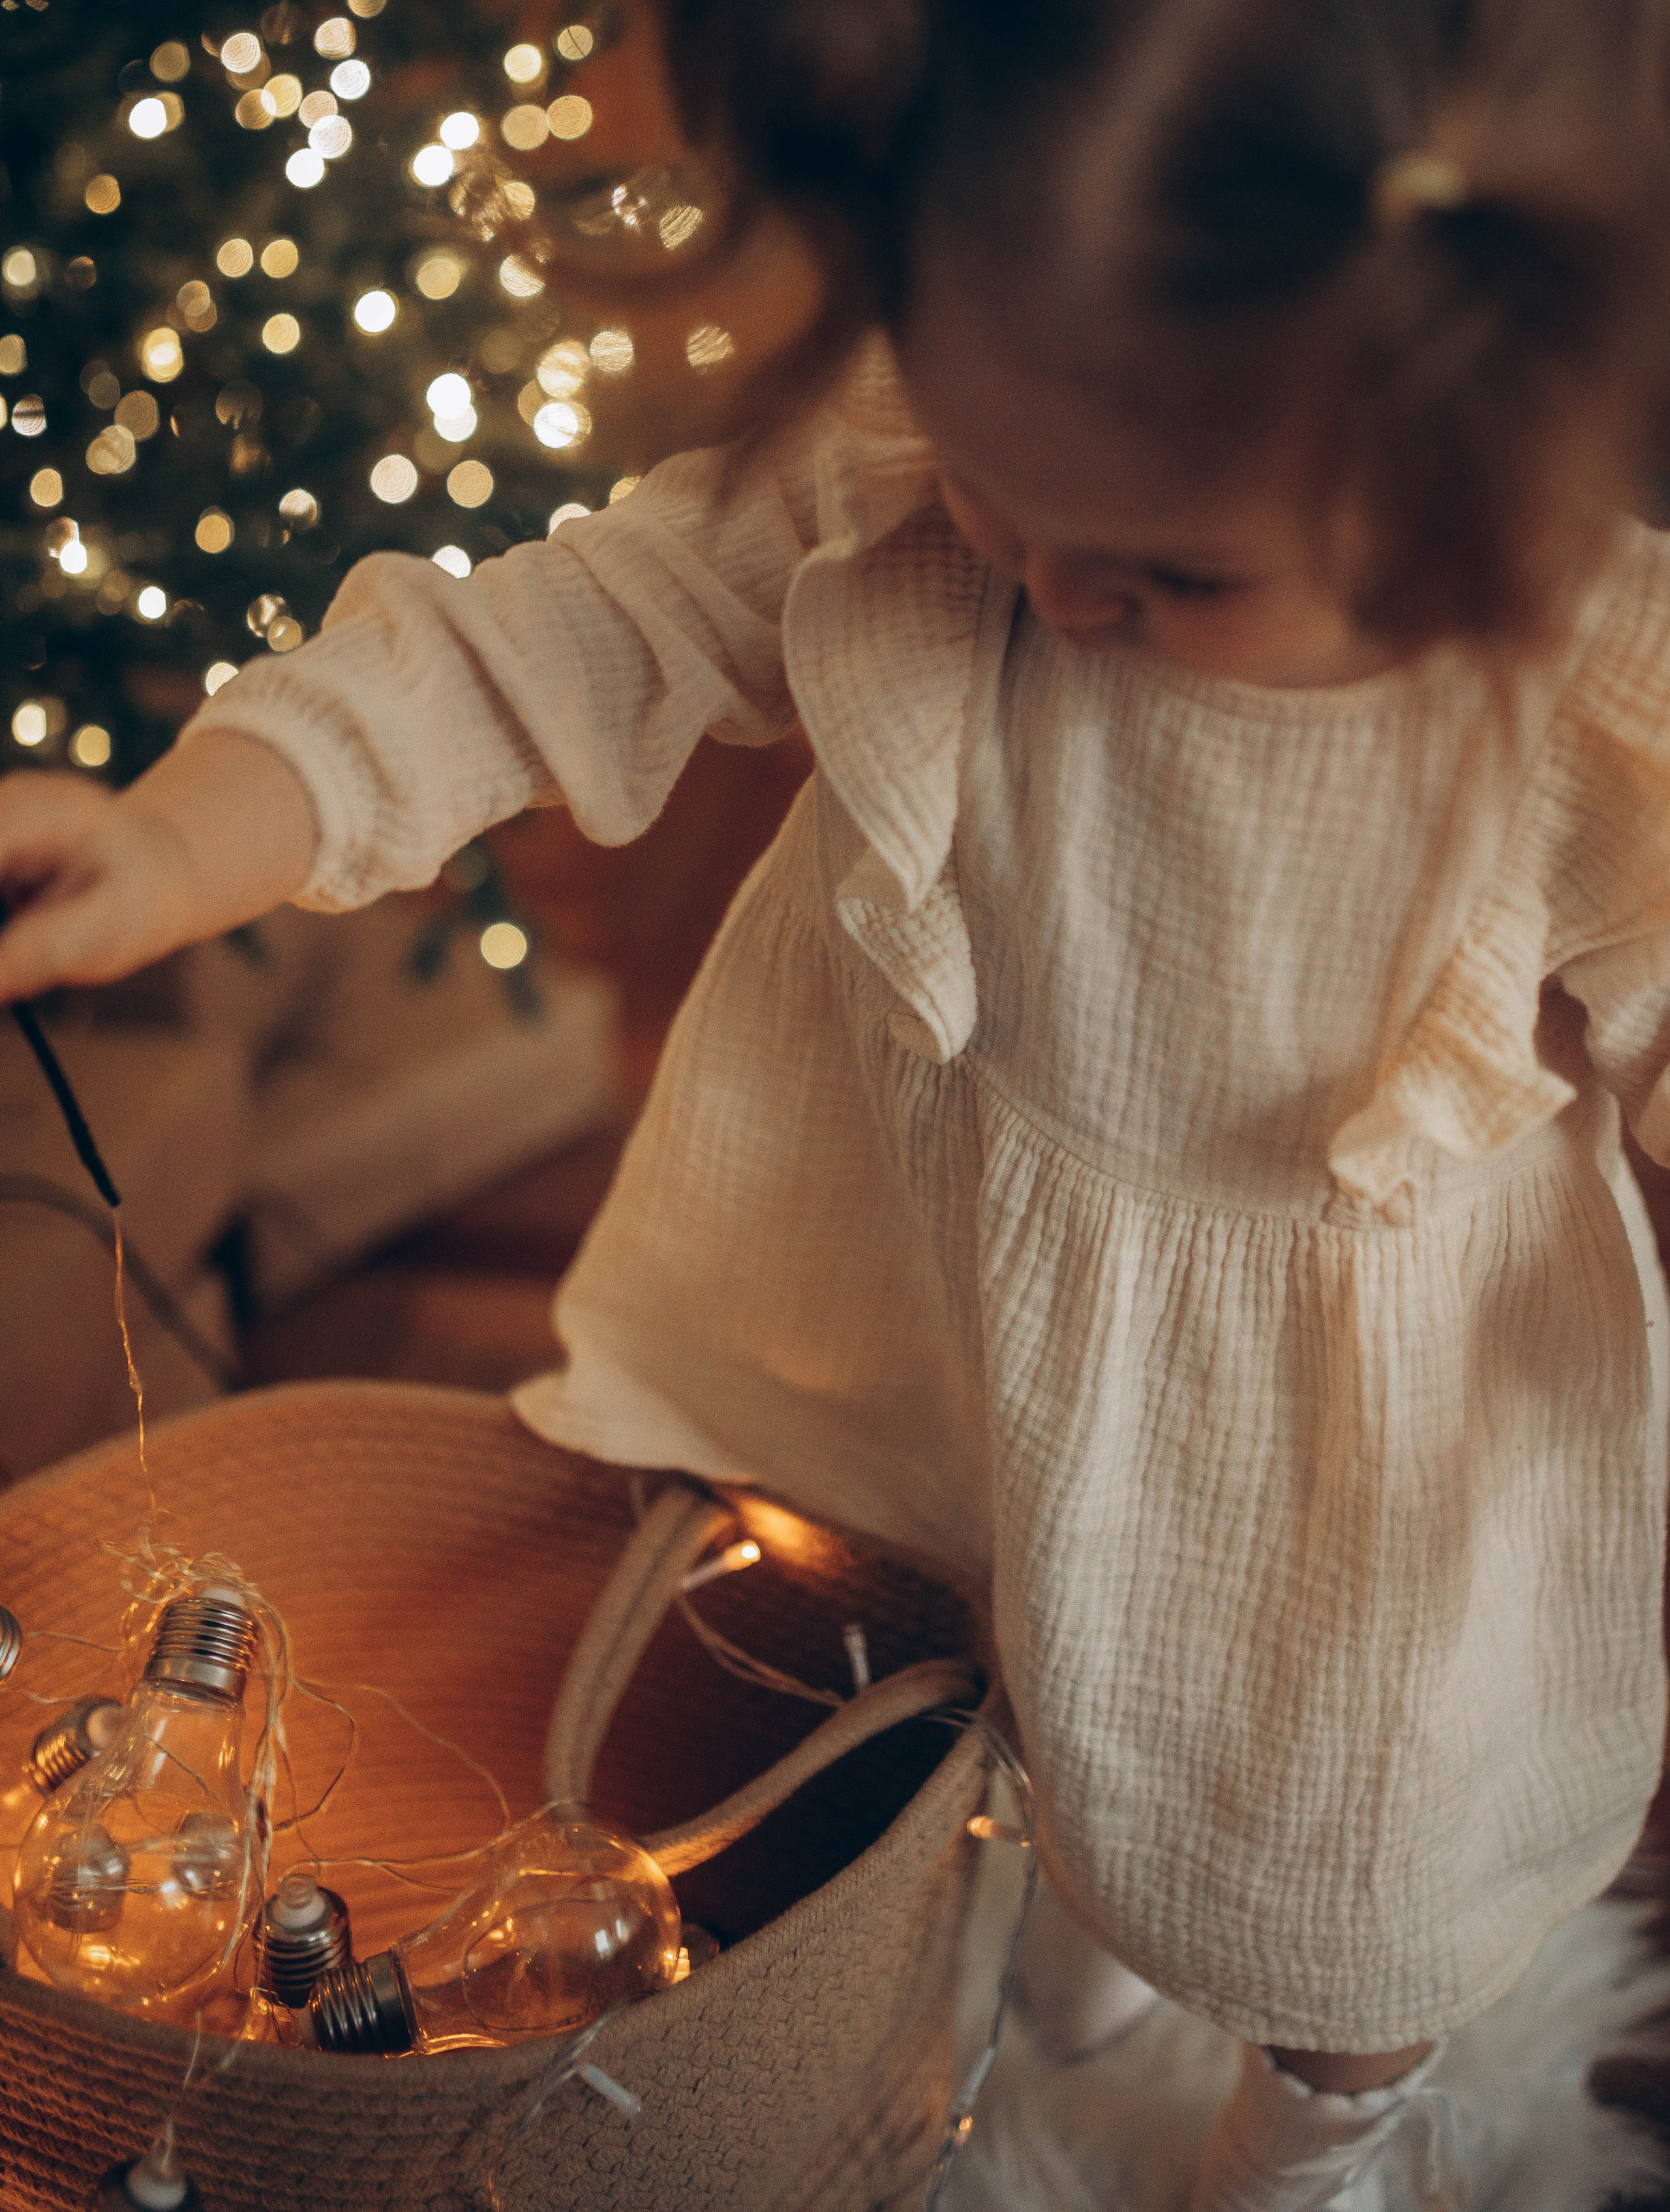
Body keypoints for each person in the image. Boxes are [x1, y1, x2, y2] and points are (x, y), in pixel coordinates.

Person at [5, 0, 1670, 2200]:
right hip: (927, 1296)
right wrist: (193, 835)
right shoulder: (922, 458)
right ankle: (1064, 1956)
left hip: (1341, 1446)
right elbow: (557, 636)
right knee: (981, 1692)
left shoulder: (1590, 700)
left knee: (1341, 1869)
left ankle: (1323, 2128)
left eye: (1179, 572)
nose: (1054, 588)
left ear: (1476, 463)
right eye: (1002, 489)